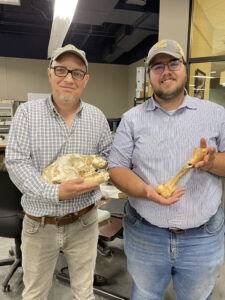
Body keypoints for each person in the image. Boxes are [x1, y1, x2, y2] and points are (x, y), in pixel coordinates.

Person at [108, 39, 225, 300]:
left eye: (173, 63)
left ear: (184, 67)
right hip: (145, 234)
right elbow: (116, 168)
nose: (166, 71)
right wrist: (146, 191)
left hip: (202, 237)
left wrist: (212, 163)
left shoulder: (216, 115)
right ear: (149, 74)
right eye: (157, 67)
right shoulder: (132, 120)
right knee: (146, 294)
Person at [5, 44, 112, 300]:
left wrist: (103, 181)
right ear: (50, 73)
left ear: (85, 80)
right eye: (61, 70)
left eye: (76, 73)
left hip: (85, 223)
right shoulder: (27, 114)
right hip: (39, 224)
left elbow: (107, 159)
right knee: (35, 294)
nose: (68, 78)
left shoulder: (97, 118)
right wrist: (55, 192)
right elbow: (16, 162)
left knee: (84, 293)